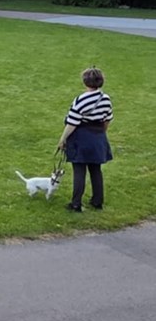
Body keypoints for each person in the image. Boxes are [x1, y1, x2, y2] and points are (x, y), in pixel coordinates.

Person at [57, 67, 113, 212]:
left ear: (85, 82)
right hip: (98, 137)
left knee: (79, 170)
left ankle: (76, 203)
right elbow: (107, 119)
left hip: (81, 137)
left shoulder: (81, 99)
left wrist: (63, 139)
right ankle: (97, 201)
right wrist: (100, 134)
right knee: (96, 170)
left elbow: (72, 122)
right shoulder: (106, 99)